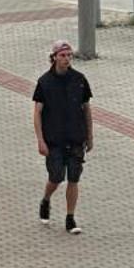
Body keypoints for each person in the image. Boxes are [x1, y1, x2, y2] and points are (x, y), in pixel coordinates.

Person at [33, 39, 92, 235]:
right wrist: (40, 140)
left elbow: (87, 110)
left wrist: (90, 136)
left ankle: (70, 218)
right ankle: (46, 199)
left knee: (74, 178)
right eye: (63, 56)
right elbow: (37, 113)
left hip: (75, 137)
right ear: (54, 57)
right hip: (54, 139)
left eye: (69, 56)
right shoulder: (44, 82)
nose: (66, 59)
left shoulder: (79, 80)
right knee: (56, 177)